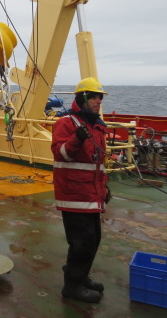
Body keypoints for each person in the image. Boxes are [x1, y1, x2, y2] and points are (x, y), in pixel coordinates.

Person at [51, 77, 110, 304]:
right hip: (74, 194)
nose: (98, 101)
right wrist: (77, 138)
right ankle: (72, 286)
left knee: (93, 239)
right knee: (81, 242)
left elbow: (97, 163)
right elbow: (61, 153)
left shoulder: (95, 125)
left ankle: (81, 276)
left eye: (100, 97)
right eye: (94, 97)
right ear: (82, 98)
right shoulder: (67, 123)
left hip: (91, 194)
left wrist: (104, 188)